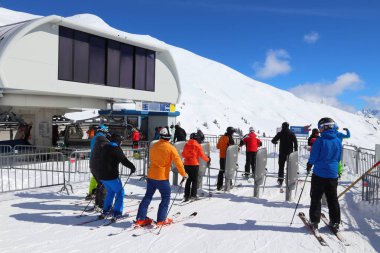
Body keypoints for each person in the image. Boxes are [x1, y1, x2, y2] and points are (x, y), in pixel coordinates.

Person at [135, 127, 188, 227]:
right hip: (162, 177)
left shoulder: (154, 146)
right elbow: (178, 162)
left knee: (148, 196)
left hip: (151, 175)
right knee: (166, 197)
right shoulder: (171, 148)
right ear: (169, 137)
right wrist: (183, 174)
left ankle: (140, 219)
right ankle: (161, 219)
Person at [306, 117, 342, 232]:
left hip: (319, 174)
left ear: (325, 127)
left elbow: (314, 155)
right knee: (332, 199)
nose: (320, 130)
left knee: (316, 198)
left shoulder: (320, 141)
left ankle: (314, 221)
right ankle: (335, 222)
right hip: (332, 174)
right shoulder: (337, 141)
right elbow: (338, 157)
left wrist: (309, 164)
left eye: (321, 127)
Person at [98, 133, 136, 221]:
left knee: (110, 192)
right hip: (111, 175)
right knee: (120, 192)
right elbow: (124, 160)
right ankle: (117, 213)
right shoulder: (116, 149)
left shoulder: (105, 147)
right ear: (118, 142)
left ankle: (106, 210)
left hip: (102, 175)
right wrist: (132, 167)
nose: (121, 143)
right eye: (121, 141)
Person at [181, 132, 210, 201]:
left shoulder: (186, 144)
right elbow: (202, 155)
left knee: (188, 180)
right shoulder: (197, 145)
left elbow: (183, 154)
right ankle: (193, 195)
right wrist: (208, 159)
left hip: (186, 164)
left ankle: (186, 195)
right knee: (194, 180)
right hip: (194, 164)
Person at [87, 124, 109, 205]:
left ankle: (95, 197)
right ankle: (101, 203)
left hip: (94, 162)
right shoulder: (101, 138)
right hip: (99, 162)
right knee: (102, 184)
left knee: (98, 181)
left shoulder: (95, 138)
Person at [271, 122, 298, 186]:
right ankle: (290, 180)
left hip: (282, 153)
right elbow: (295, 143)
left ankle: (280, 180)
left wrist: (276, 142)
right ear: (288, 126)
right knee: (290, 167)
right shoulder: (291, 133)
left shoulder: (280, 133)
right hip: (290, 153)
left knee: (281, 167)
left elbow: (273, 141)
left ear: (282, 126)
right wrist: (295, 151)